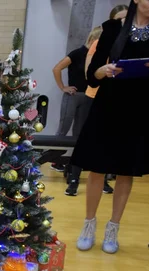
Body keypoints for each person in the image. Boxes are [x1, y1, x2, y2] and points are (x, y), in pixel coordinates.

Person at [71, 0, 149, 254]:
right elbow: (91, 72)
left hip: (140, 108)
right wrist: (102, 70)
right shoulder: (113, 28)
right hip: (109, 105)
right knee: (96, 167)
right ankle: (88, 224)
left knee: (125, 171)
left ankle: (113, 228)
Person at [65, 5, 129, 196]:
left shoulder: (131, 44)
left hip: (118, 101)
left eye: (126, 19)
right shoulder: (99, 43)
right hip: (94, 98)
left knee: (110, 143)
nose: (123, 23)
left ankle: (104, 180)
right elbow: (89, 73)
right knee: (84, 141)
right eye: (119, 19)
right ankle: (74, 179)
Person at [49, 27, 102, 173]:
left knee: (79, 132)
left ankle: (74, 164)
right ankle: (54, 160)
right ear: (93, 40)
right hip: (72, 96)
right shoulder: (77, 53)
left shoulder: (97, 56)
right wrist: (63, 87)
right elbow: (56, 69)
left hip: (87, 96)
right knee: (63, 129)